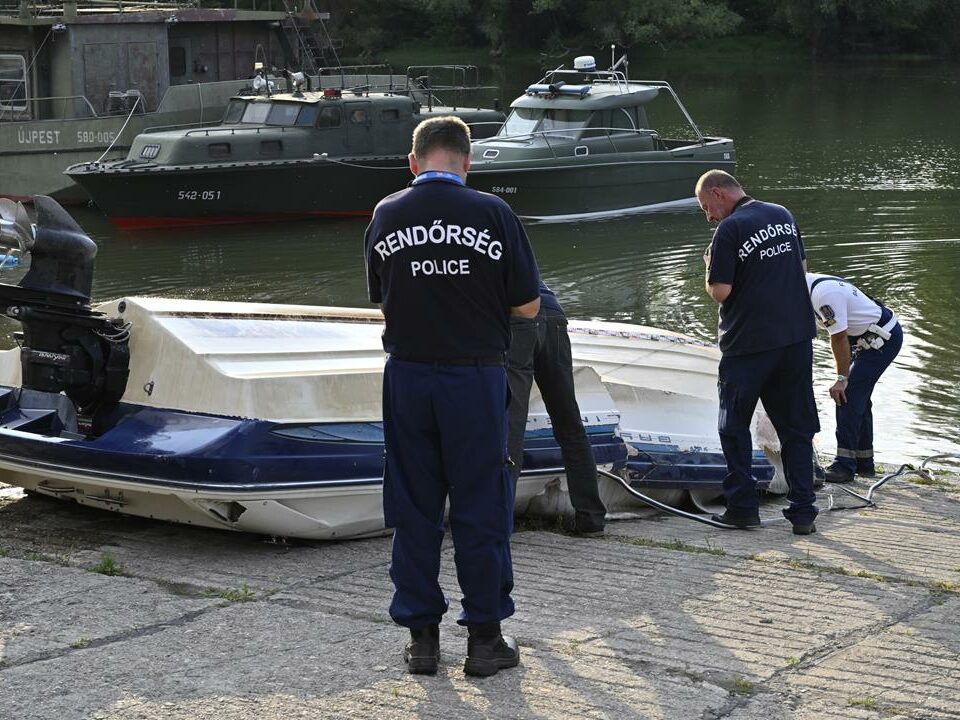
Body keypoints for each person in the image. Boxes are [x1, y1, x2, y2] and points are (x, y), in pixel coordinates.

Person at [364, 116, 541, 678]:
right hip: (474, 376)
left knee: (414, 505)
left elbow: (383, 301)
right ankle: (485, 640)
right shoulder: (494, 214)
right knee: (480, 505)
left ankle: (422, 641)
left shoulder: (386, 214)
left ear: (413, 162)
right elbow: (528, 307)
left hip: (409, 376)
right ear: (468, 161)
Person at [696, 169, 820, 535]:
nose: (708, 215)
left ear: (719, 194)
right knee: (796, 426)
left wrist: (707, 268)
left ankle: (742, 507)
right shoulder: (782, 214)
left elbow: (720, 290)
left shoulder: (729, 230)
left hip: (748, 344)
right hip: (795, 338)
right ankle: (803, 512)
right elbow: (801, 269)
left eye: (706, 206)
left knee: (733, 424)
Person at [506, 281, 607, 536]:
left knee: (510, 429)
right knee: (569, 421)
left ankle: (498, 524)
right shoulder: (511, 243)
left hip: (516, 319)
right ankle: (591, 518)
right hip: (552, 313)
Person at [805, 272, 903, 482]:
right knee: (859, 398)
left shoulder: (823, 296)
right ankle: (864, 463)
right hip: (865, 338)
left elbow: (838, 337)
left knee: (846, 394)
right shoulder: (808, 282)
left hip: (881, 340)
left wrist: (841, 378)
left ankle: (844, 466)